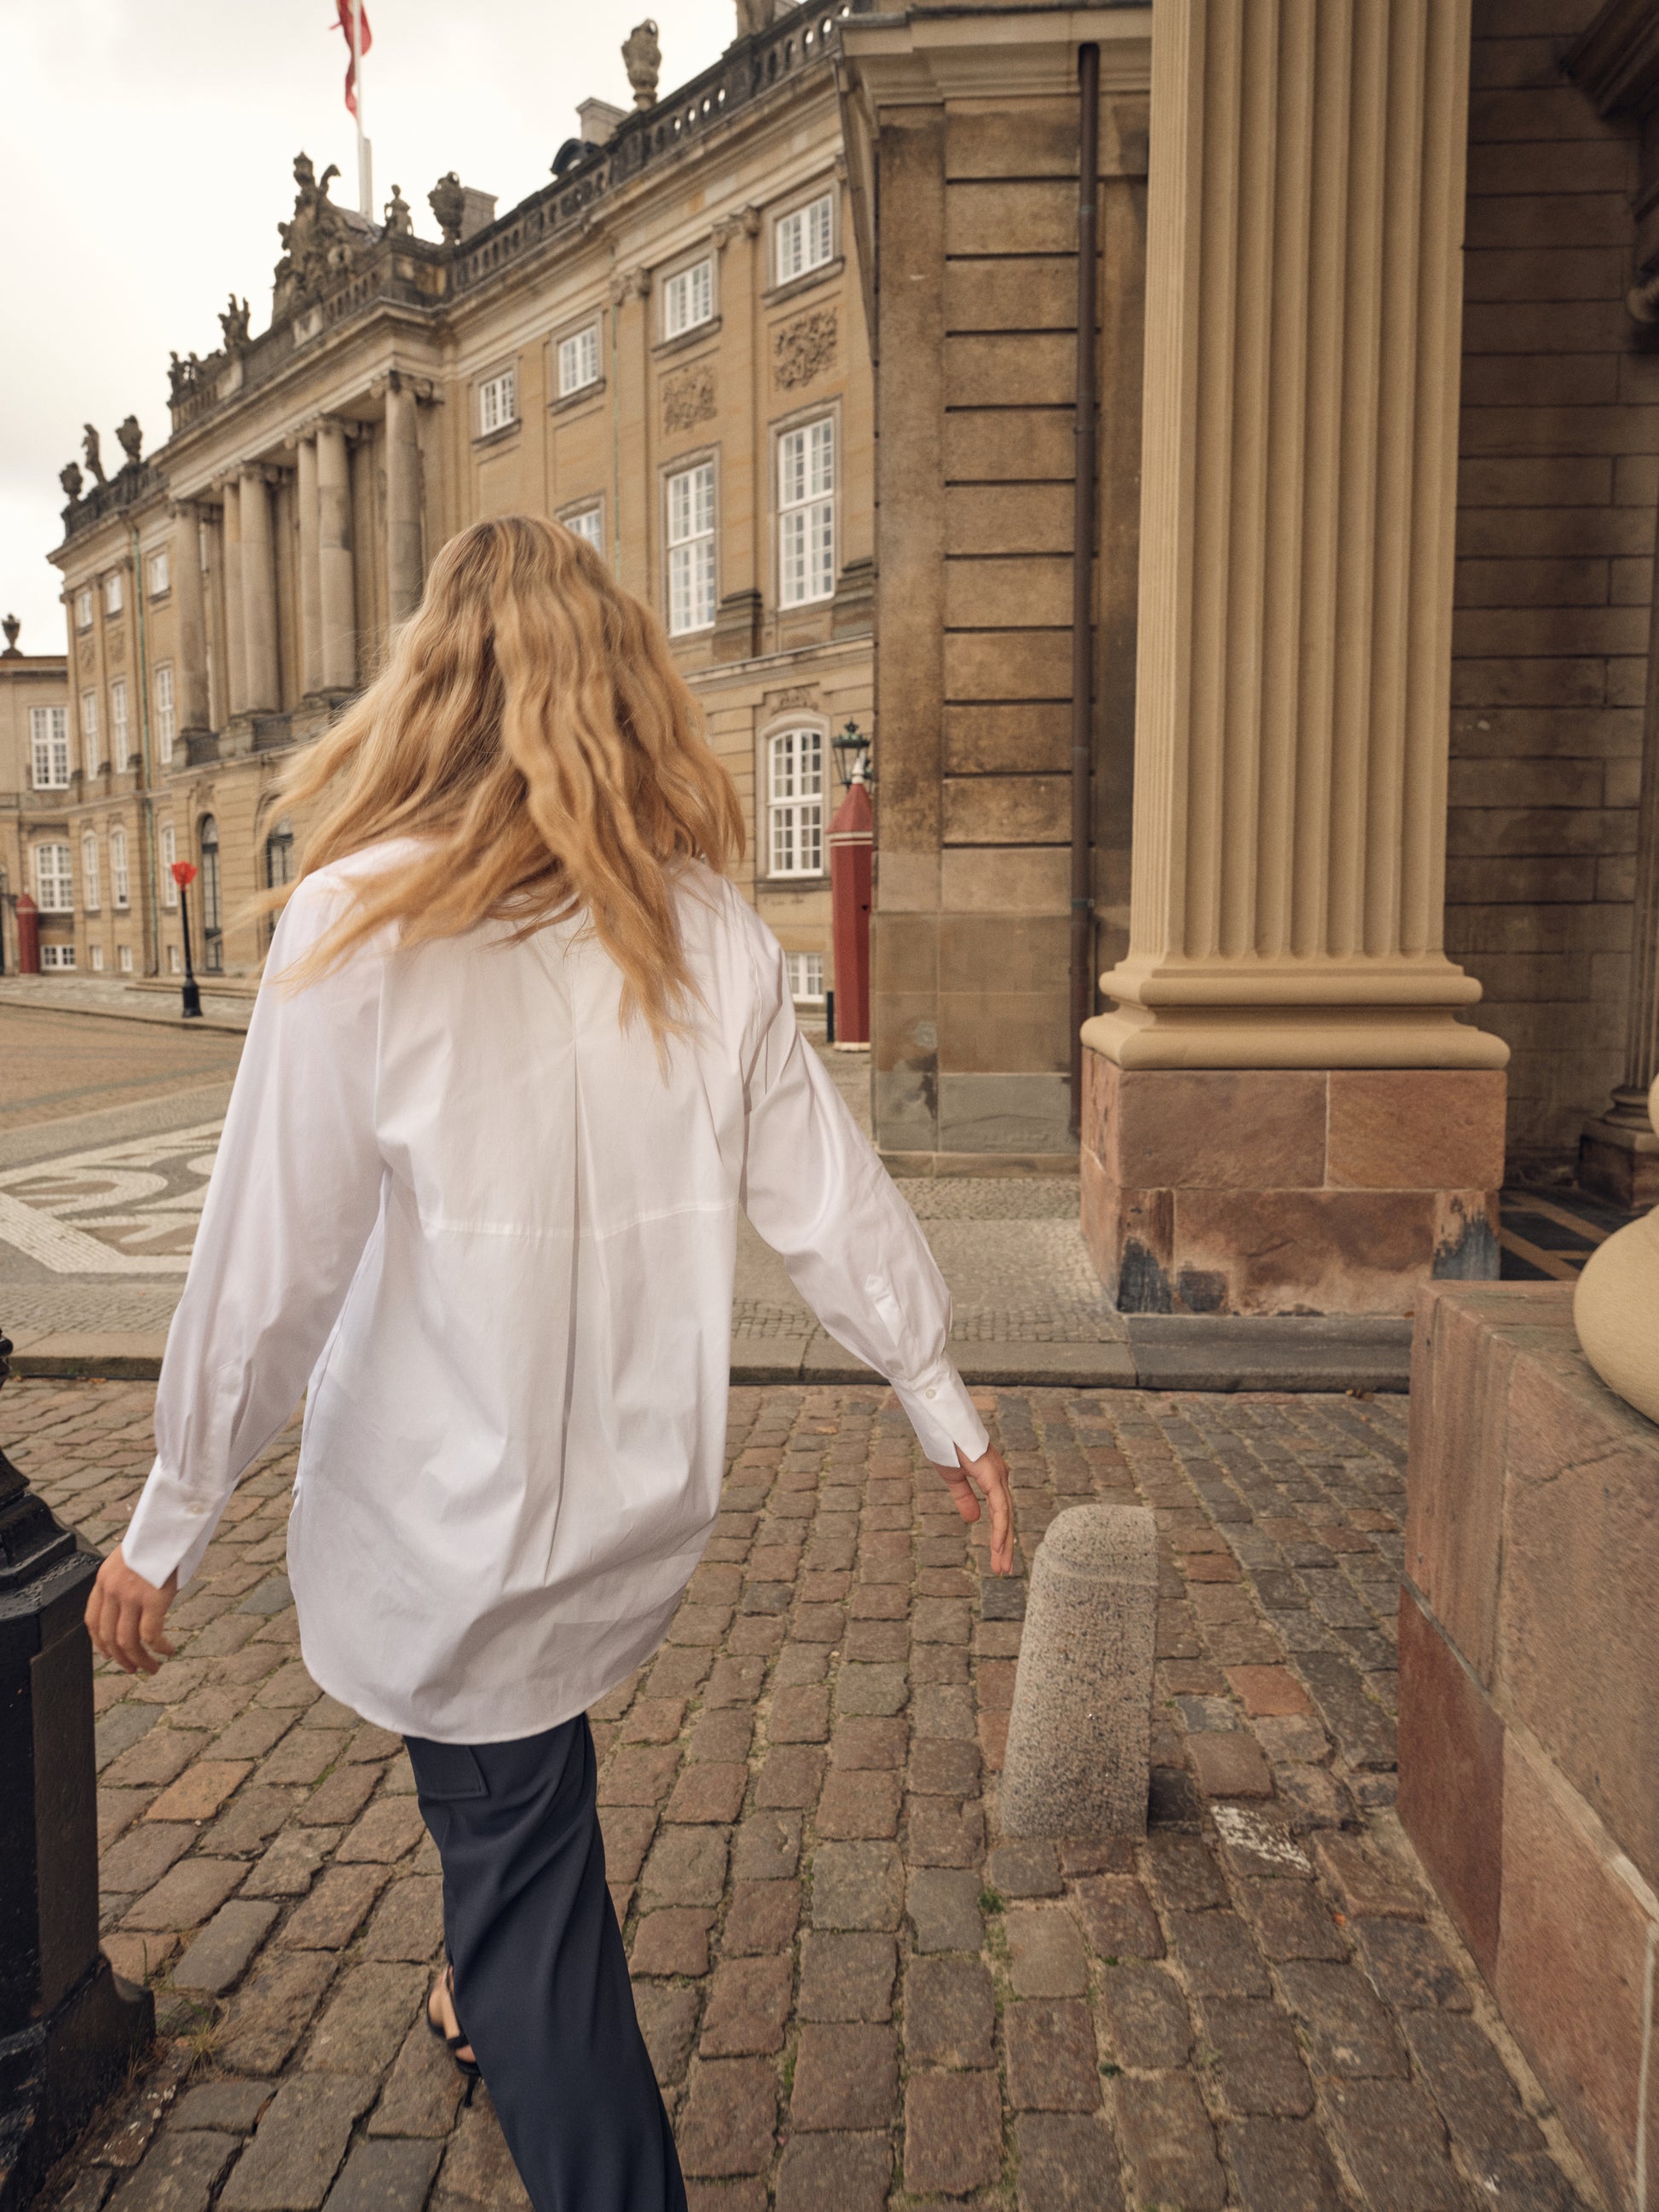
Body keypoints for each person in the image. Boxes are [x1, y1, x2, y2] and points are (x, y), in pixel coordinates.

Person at [84, 514, 1014, 2212]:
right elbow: (829, 1201)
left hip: (455, 1512)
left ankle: (540, 2054)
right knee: (514, 1773)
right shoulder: (711, 929)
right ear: (628, 690)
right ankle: (474, 1983)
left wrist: (173, 1509)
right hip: (619, 1494)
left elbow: (268, 1261)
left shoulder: (358, 924)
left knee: (519, 1842)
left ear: (429, 687)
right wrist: (936, 1393)